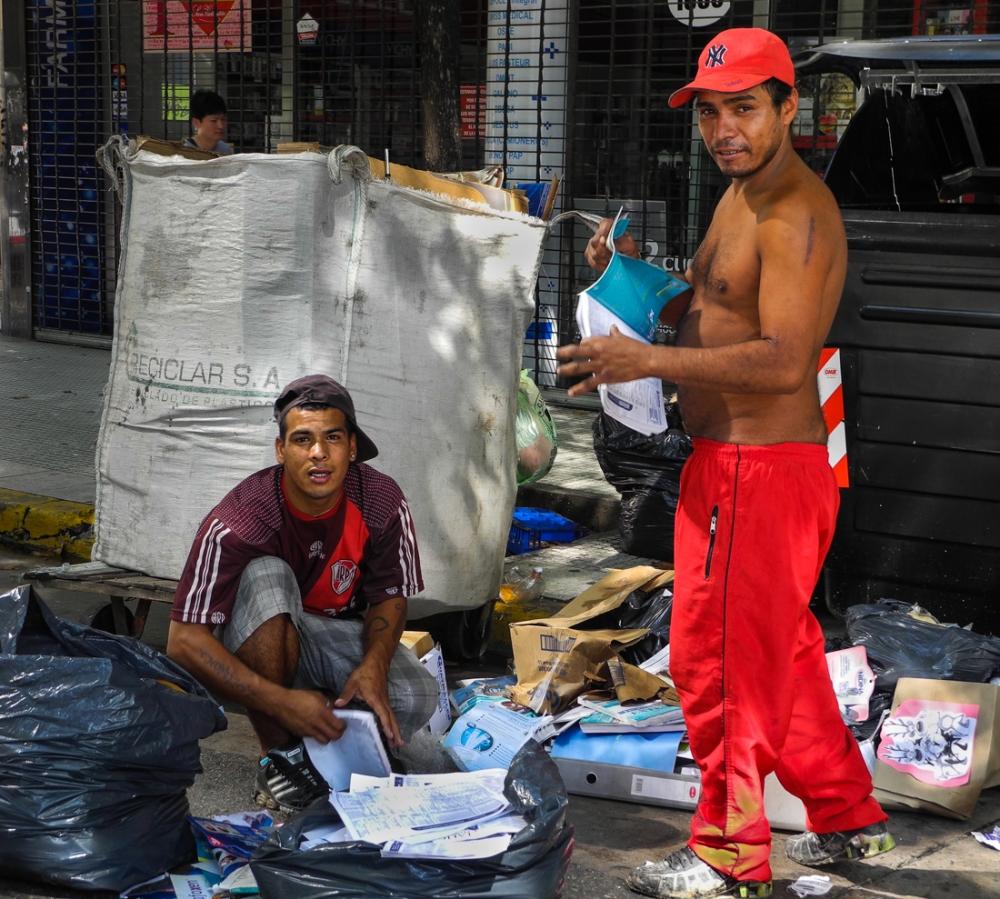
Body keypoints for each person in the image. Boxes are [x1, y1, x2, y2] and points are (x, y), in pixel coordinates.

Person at [556, 28, 894, 899]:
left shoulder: (796, 214)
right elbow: (711, 305)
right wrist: (627, 275)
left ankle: (727, 857)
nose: (723, 129)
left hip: (763, 472)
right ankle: (849, 816)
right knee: (776, 654)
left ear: (790, 108)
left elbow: (785, 358)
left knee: (721, 666)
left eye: (743, 107)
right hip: (726, 467)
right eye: (709, 112)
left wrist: (650, 365)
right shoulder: (741, 194)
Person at [166, 374, 438, 814]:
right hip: (258, 628)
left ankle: (335, 745)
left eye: (332, 437)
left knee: (414, 695)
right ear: (281, 451)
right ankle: (281, 760)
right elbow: (183, 641)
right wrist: (280, 702)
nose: (318, 453)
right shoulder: (242, 517)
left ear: (353, 446)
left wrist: (373, 665)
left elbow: (389, 595)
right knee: (267, 575)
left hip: (326, 632)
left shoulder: (381, 500)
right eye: (302, 439)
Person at [185, 89, 234, 155]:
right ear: (196, 122)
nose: (221, 126)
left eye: (223, 119)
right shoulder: (184, 152)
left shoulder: (225, 150)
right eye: (213, 120)